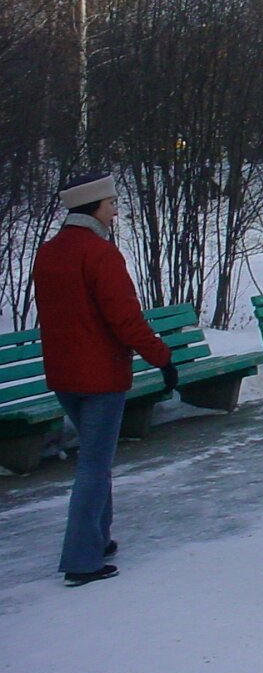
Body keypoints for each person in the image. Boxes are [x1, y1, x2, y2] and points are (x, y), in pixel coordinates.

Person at [33, 172, 177, 587]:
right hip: (100, 375)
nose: (115, 211)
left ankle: (99, 538)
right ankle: (81, 560)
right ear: (93, 206)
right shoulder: (100, 254)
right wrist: (162, 358)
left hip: (64, 375)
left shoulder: (49, 252)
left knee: (95, 458)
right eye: (111, 203)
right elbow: (124, 319)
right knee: (94, 465)